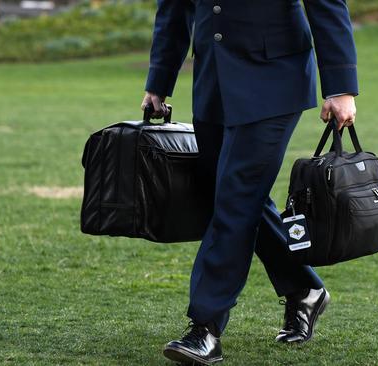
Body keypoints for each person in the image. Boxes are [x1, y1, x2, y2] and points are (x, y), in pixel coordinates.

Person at [141, 0, 358, 364]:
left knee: (236, 199)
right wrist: (159, 82)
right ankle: (303, 287)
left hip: (275, 81)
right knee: (231, 195)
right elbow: (175, 9)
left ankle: (205, 327)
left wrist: (340, 87)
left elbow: (326, 4)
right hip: (213, 85)